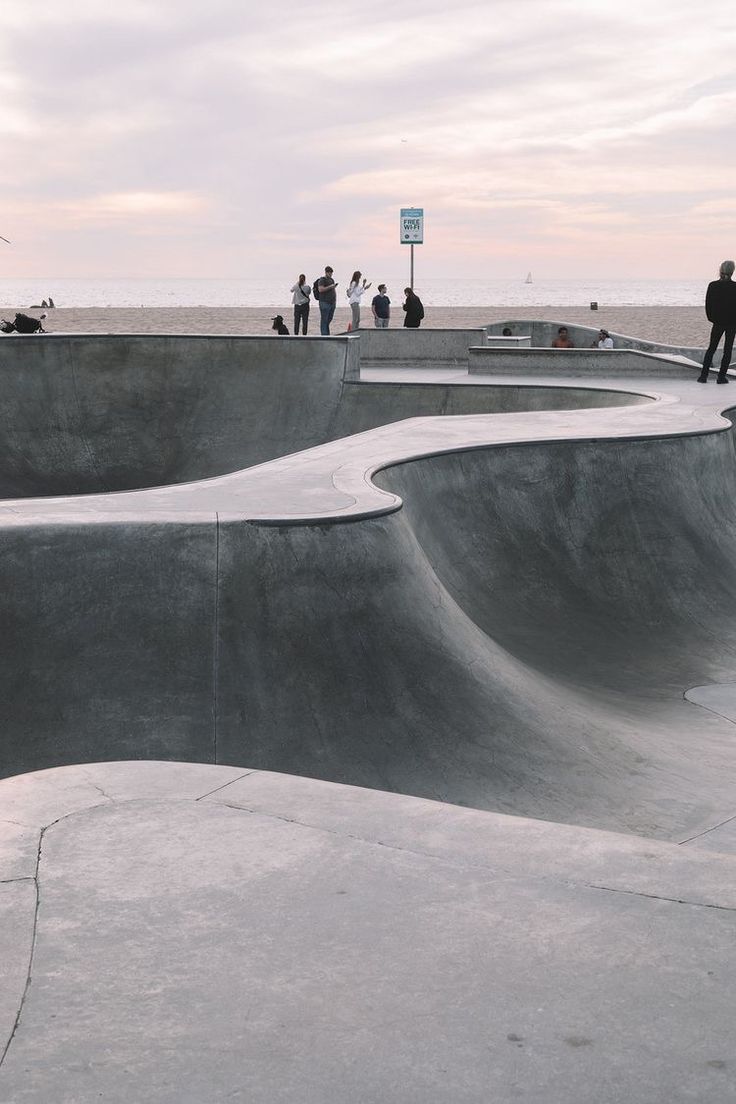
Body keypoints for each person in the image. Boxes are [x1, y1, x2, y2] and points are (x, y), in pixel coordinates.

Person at [698, 260, 736, 384]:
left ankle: (703, 376)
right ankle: (721, 377)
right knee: (727, 350)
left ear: (720, 271)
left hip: (717, 322)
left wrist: (712, 318)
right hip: (732, 323)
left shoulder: (713, 285)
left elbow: (708, 304)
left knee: (711, 348)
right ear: (732, 272)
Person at [317, 266, 338, 335]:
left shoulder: (332, 280)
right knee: (324, 320)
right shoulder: (322, 280)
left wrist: (335, 299)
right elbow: (320, 289)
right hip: (324, 302)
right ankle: (324, 335)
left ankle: (326, 333)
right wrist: (330, 287)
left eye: (331, 273)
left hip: (332, 302)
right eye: (329, 273)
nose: (330, 274)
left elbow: (333, 290)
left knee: (329, 319)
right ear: (326, 272)